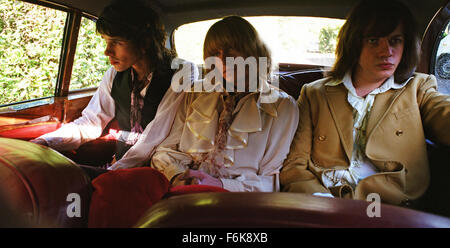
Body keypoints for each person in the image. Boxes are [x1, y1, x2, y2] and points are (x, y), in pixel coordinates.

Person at [88, 16, 299, 227]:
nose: (223, 60)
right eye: (215, 54)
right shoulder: (194, 93)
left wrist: (219, 184)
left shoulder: (282, 107)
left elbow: (270, 181)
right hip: (180, 187)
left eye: (232, 50)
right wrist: (176, 175)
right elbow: (165, 151)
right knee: (111, 186)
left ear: (253, 53)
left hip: (234, 200)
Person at [280, 0, 450, 207]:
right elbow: (295, 166)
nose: (386, 51)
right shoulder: (315, 94)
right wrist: (320, 201)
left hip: (391, 204)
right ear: (353, 43)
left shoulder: (418, 88)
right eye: (373, 40)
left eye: (395, 41)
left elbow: (443, 113)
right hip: (326, 202)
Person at [31, 0, 197, 171]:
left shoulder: (181, 72)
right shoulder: (114, 75)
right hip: (119, 164)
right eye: (105, 41)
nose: (107, 51)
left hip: (158, 170)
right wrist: (46, 142)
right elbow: (91, 122)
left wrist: (111, 172)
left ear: (144, 42)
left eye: (117, 42)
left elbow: (155, 136)